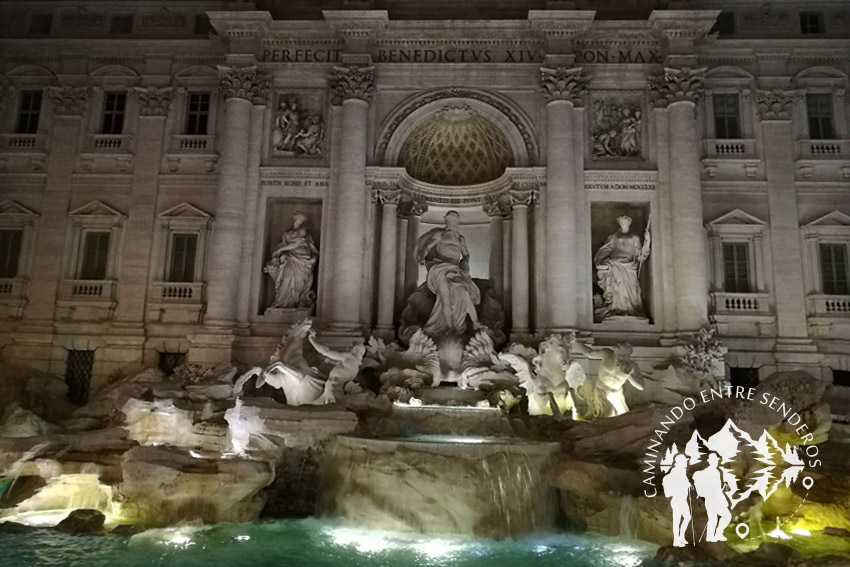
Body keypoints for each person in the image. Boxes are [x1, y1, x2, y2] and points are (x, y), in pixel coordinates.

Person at [414, 210, 481, 337]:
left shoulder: (460, 239)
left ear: (458, 222)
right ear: (446, 220)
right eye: (450, 219)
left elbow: (466, 255)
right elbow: (428, 247)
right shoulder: (440, 234)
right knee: (445, 297)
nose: (453, 222)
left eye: (455, 220)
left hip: (455, 269)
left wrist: (465, 264)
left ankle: (476, 322)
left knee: (464, 292)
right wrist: (422, 257)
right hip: (440, 268)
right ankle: (449, 328)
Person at [569, 336, 645, 417]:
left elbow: (641, 386)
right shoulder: (606, 354)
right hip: (601, 391)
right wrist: (576, 343)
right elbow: (589, 353)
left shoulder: (631, 367)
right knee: (605, 415)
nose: (619, 359)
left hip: (616, 393)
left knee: (624, 416)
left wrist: (628, 375)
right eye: (618, 355)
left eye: (622, 358)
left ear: (627, 356)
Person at [593, 215, 651, 320]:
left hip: (630, 267)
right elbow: (604, 250)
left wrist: (647, 242)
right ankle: (617, 309)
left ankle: (631, 311)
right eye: (622, 223)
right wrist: (601, 261)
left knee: (633, 289)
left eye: (626, 223)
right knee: (617, 288)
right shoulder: (614, 237)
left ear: (629, 224)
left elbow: (640, 256)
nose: (624, 225)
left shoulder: (635, 238)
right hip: (615, 265)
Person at [264, 212, 318, 309]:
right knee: (287, 278)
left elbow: (302, 245)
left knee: (299, 282)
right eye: (299, 219)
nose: (300, 221)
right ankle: (281, 302)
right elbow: (282, 245)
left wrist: (282, 250)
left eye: (302, 220)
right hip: (290, 259)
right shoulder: (287, 233)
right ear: (295, 219)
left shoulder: (304, 233)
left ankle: (296, 303)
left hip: (303, 260)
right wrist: (279, 252)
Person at [692, 453, 732, 542]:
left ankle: (718, 534)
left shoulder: (717, 472)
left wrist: (723, 487)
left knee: (726, 516)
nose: (715, 462)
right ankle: (711, 536)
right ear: (710, 461)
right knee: (714, 518)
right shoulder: (707, 472)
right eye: (714, 460)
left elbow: (717, 487)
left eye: (716, 461)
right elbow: (709, 487)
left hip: (717, 498)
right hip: (711, 498)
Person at [663, 454, 693, 547]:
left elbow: (684, 482)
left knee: (686, 518)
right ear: (679, 462)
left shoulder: (681, 471)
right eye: (684, 461)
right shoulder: (676, 471)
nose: (686, 462)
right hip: (677, 500)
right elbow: (678, 483)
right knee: (678, 520)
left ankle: (680, 537)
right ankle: (677, 539)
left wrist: (688, 485)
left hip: (682, 499)